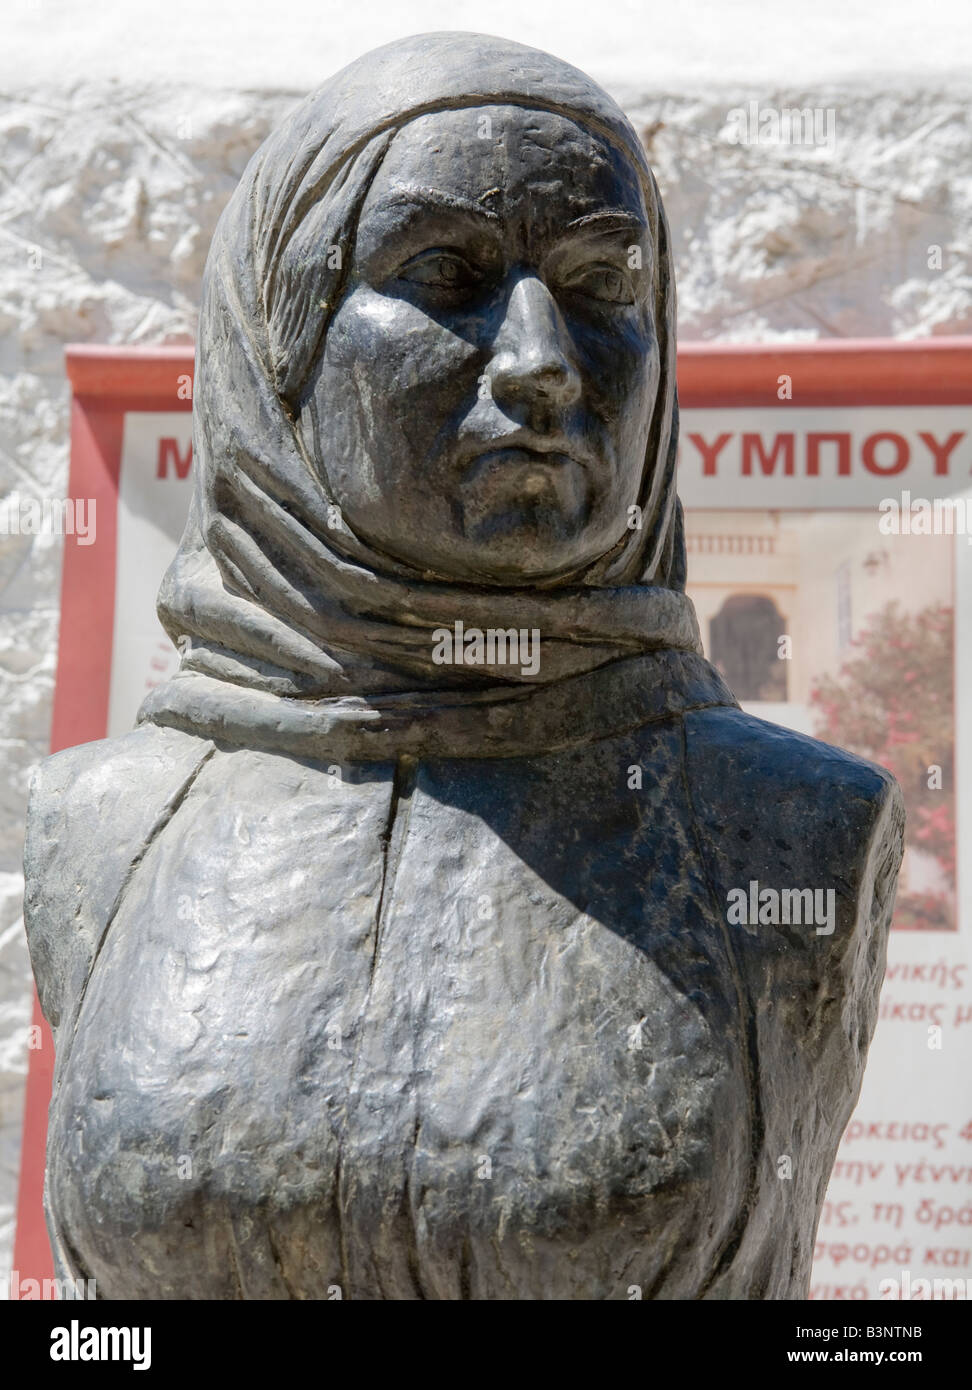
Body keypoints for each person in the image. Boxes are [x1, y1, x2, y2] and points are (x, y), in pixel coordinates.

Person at [24, 32, 903, 1300]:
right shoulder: (104, 822)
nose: (542, 361)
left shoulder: (794, 829)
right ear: (283, 342)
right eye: (445, 273)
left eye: (603, 283)